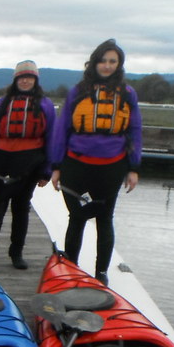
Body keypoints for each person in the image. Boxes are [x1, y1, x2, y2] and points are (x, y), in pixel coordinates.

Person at [49, 39, 142, 284]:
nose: (107, 65)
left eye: (113, 61)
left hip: (112, 166)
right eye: (103, 60)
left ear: (119, 64)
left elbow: (134, 130)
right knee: (77, 217)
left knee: (105, 218)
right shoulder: (77, 92)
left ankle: (101, 274)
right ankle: (71, 269)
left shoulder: (128, 94)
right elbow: (61, 130)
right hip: (76, 165)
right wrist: (56, 166)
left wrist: (133, 167)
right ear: (94, 62)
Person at [0, 60, 56, 270]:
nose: (25, 81)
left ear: (35, 80)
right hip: (1, 158)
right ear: (16, 80)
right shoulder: (2, 104)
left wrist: (46, 171)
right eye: (22, 77)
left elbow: (51, 138)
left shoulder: (45, 105)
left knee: (21, 208)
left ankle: (16, 253)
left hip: (30, 161)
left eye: (29, 77)